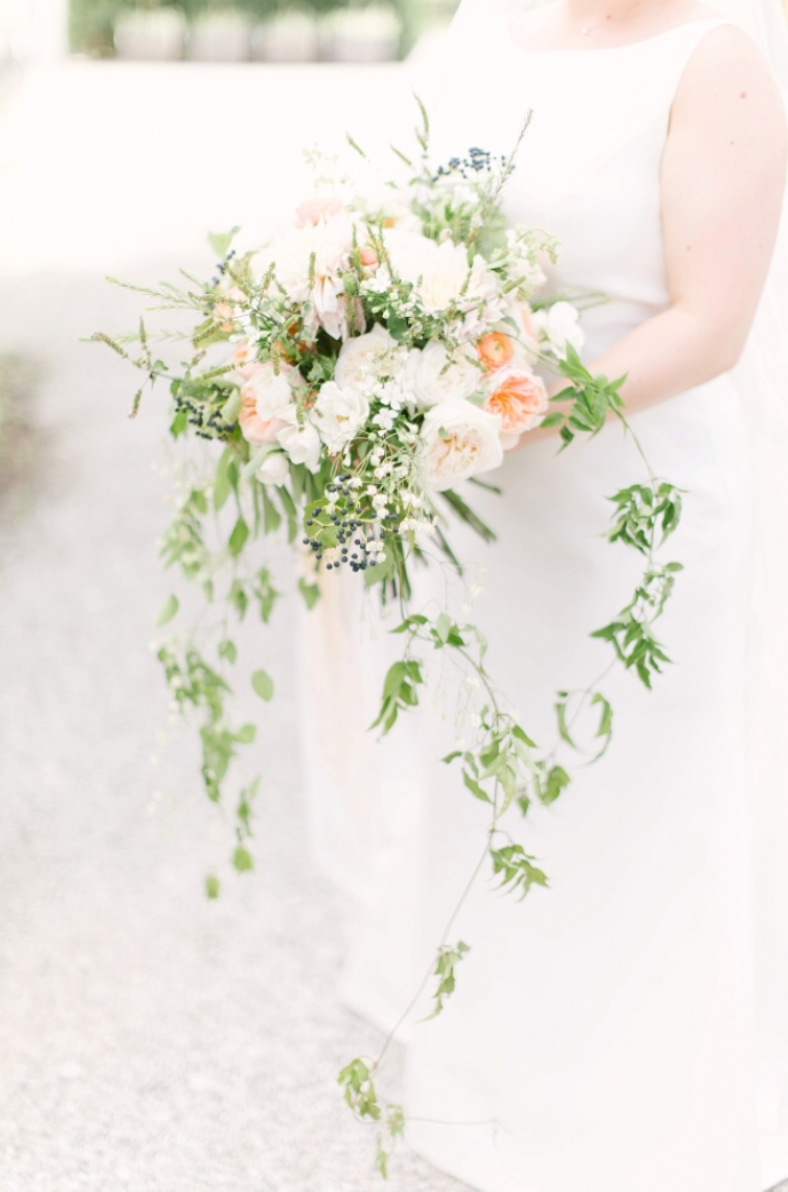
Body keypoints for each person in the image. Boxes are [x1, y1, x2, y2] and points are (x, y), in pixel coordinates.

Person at [300, 1, 788, 1188]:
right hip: (491, 521)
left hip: (637, 515)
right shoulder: (480, 32)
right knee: (489, 791)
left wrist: (502, 414)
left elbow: (709, 324)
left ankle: (645, 1136)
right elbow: (390, 226)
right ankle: (493, 1114)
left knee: (631, 798)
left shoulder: (712, 58)